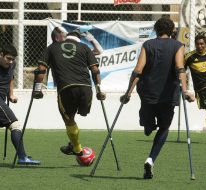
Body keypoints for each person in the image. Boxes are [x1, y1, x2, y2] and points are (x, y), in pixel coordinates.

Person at [120, 17, 195, 179]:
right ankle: (150, 159)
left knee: (147, 126)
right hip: (168, 95)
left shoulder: (148, 45)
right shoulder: (178, 45)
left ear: (156, 29)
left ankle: (147, 123)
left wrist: (128, 93)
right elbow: (179, 67)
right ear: (172, 31)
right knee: (164, 127)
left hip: (147, 92)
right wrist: (184, 90)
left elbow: (138, 70)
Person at [34, 30, 106, 158]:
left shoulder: (52, 47)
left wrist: (37, 89)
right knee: (81, 114)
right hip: (86, 89)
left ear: (67, 37)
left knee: (68, 119)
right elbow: (95, 69)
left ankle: (77, 149)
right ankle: (72, 144)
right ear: (79, 39)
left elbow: (41, 69)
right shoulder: (84, 47)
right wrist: (99, 89)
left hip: (66, 88)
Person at [0, 44, 40, 165]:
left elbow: (11, 78)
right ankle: (22, 157)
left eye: (13, 59)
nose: (11, 61)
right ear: (1, 54)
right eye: (8, 58)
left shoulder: (12, 65)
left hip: (2, 99)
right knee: (15, 125)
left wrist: (10, 94)